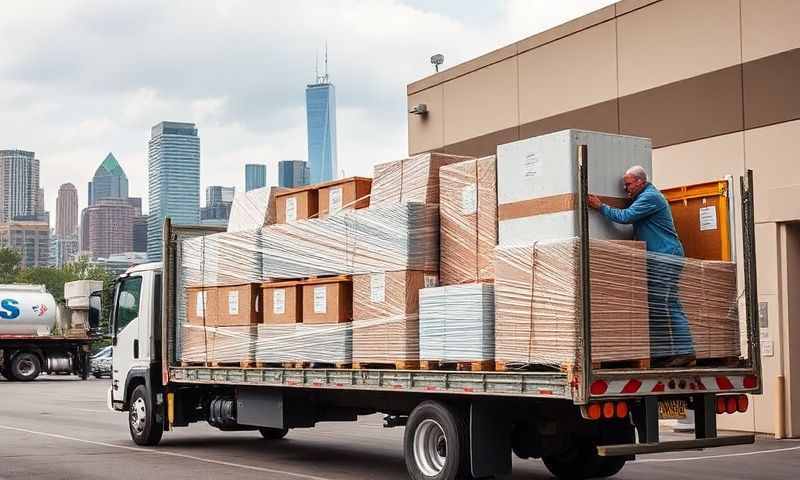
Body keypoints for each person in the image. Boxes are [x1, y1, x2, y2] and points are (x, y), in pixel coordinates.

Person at [587, 165, 695, 368]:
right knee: (658, 305)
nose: (626, 189)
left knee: (665, 305)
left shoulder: (650, 197)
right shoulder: (645, 197)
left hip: (665, 256)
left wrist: (600, 206)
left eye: (628, 184)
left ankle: (685, 351)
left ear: (640, 181)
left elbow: (625, 217)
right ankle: (665, 353)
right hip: (659, 257)